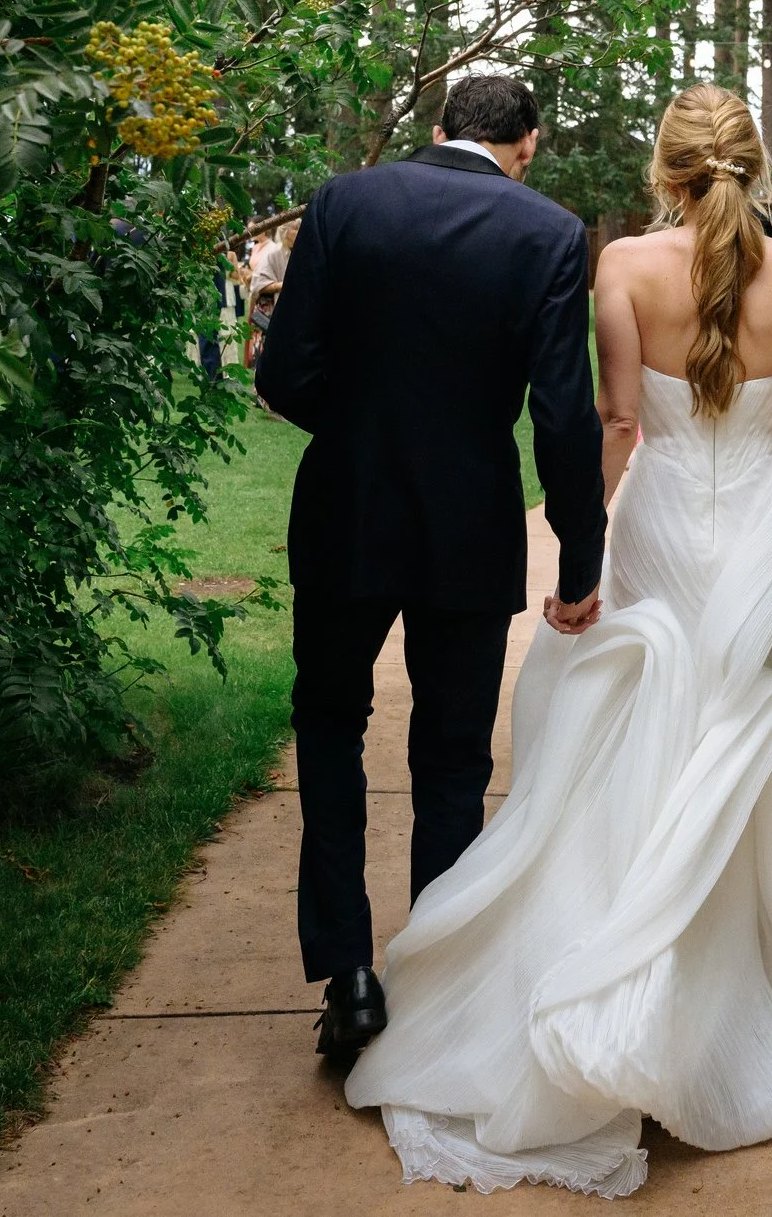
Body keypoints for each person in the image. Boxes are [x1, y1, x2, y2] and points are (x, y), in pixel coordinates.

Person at [343, 83, 772, 1196]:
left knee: (644, 738)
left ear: (663, 171)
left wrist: (580, 562)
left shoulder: (626, 267)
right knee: (737, 728)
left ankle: (628, 981)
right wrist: (755, 416)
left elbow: (621, 420)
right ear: (754, 166)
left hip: (663, 525)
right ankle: (727, 984)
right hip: (764, 546)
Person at [255, 74, 608, 1070]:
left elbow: (282, 372)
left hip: (344, 513)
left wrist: (365, 433)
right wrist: (580, 557)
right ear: (526, 143)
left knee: (329, 723)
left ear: (438, 127)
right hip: (468, 523)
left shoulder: (343, 202)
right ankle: (436, 981)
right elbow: (564, 417)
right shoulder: (546, 233)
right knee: (452, 759)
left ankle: (348, 974)